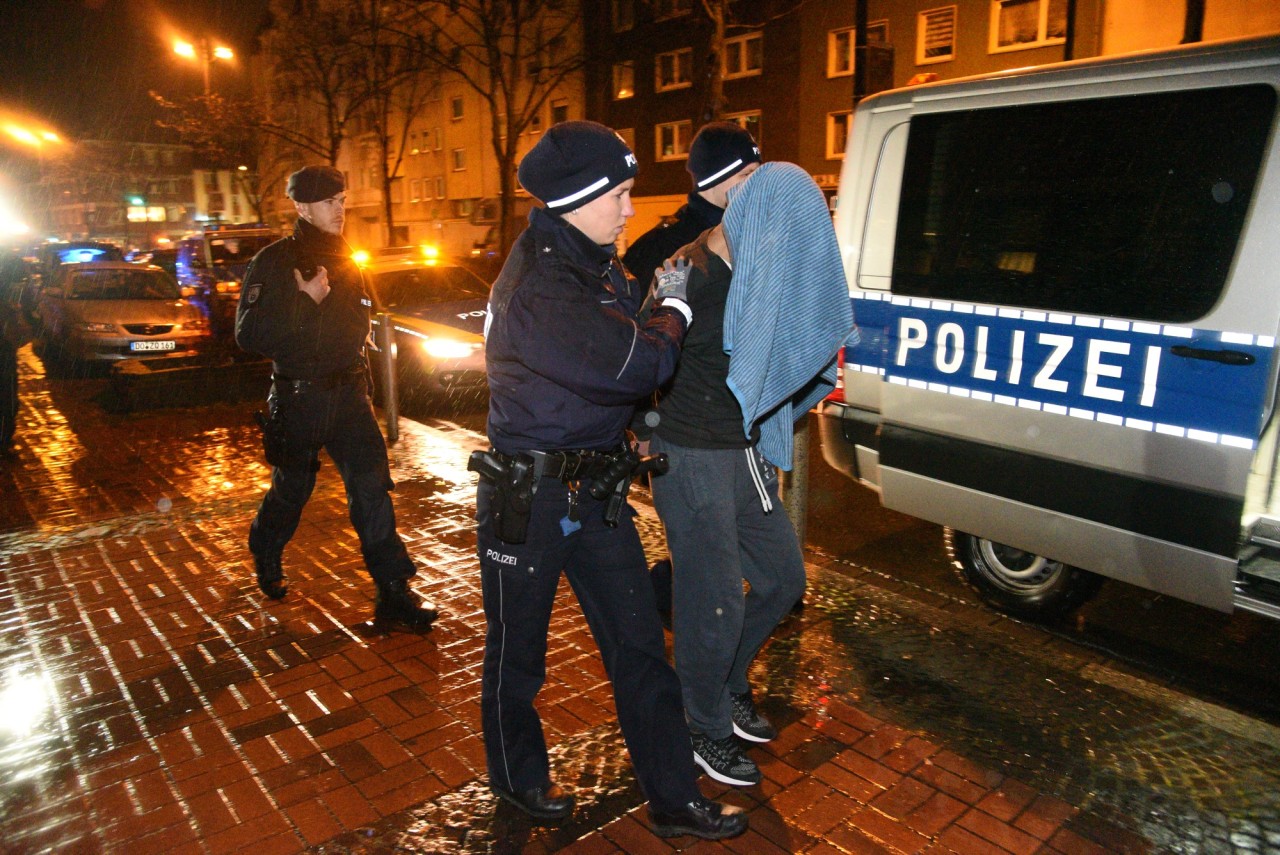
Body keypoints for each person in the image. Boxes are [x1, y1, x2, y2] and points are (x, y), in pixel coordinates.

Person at [475, 120, 746, 841]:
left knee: (640, 650)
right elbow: (635, 366)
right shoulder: (543, 283)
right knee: (517, 656)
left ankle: (673, 796)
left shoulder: (592, 260)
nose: (630, 209)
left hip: (594, 492)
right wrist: (676, 305)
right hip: (528, 498)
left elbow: (624, 351)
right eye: (621, 194)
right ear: (578, 197)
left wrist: (656, 300)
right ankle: (521, 780)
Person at [647, 162, 854, 787]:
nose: (791, 250)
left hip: (739, 452)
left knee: (782, 580)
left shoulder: (751, 270)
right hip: (689, 457)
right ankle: (701, 728)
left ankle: (727, 684)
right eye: (787, 234)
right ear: (759, 221)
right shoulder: (689, 278)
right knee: (712, 605)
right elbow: (643, 366)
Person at [234, 165, 437, 633]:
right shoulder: (273, 261)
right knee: (293, 490)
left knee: (372, 490)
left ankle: (393, 590)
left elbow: (358, 322)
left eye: (342, 200)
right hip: (299, 397)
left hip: (350, 397)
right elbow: (248, 335)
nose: (340, 210)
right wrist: (305, 303)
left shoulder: (350, 259)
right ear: (302, 206)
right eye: (330, 202)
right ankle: (265, 549)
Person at [622, 121, 762, 622]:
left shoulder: (750, 236)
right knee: (704, 577)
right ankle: (671, 622)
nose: (758, 182)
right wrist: (641, 427)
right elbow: (639, 344)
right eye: (747, 173)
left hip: (729, 429)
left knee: (717, 569)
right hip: (687, 433)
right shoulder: (675, 247)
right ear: (723, 179)